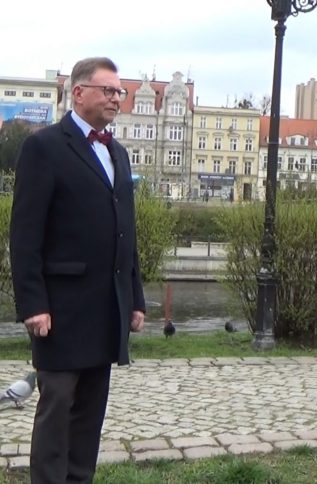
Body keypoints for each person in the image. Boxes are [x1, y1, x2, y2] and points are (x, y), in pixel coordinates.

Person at [10, 57, 146, 483]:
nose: (115, 98)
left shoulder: (117, 153)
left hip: (106, 307)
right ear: (78, 91)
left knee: (91, 409)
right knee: (57, 404)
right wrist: (33, 304)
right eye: (107, 90)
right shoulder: (44, 146)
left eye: (119, 92)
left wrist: (135, 298)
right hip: (61, 310)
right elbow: (25, 234)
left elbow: (127, 232)